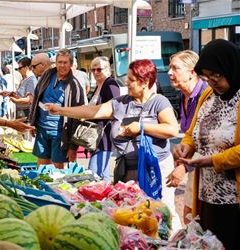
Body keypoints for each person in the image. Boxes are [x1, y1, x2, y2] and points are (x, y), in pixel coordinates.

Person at [45, 59, 182, 233]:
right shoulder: (121, 102)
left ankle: (171, 242)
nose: (126, 83)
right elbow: (92, 111)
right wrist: (61, 110)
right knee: (132, 213)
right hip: (127, 169)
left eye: (131, 80)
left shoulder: (159, 102)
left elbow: (172, 129)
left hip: (155, 169)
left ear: (145, 82)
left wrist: (140, 127)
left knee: (161, 212)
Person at [166, 39, 240, 250]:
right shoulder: (207, 96)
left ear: (231, 68)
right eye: (208, 76)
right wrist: (186, 146)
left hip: (233, 198)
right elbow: (193, 132)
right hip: (206, 194)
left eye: (217, 75)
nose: (213, 81)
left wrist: (212, 161)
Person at [166, 50, 208, 225]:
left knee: (195, 218)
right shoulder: (184, 95)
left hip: (208, 169)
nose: (169, 72)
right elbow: (189, 134)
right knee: (189, 215)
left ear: (192, 73)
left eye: (175, 68)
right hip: (195, 165)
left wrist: (183, 167)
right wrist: (181, 148)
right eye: (170, 67)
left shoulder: (206, 94)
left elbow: (205, 139)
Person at [29, 48, 86, 169]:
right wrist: (32, 122)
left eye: (65, 62)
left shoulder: (74, 85)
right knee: (41, 167)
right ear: (55, 62)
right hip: (42, 128)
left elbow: (78, 116)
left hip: (60, 134)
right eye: (59, 62)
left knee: (56, 170)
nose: (62, 65)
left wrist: (73, 147)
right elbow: (37, 97)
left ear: (70, 64)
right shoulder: (47, 75)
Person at [86, 56, 120, 181]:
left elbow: (115, 106)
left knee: (94, 175)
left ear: (107, 70)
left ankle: (102, 199)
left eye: (99, 69)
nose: (95, 72)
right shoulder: (98, 86)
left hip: (104, 136)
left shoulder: (110, 83)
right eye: (93, 70)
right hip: (96, 138)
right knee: (100, 174)